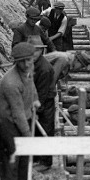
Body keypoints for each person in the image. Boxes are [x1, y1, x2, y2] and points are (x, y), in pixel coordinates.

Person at [0, 42, 39, 180]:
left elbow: (32, 87)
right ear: (16, 62)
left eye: (28, 60)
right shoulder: (10, 82)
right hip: (12, 127)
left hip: (25, 119)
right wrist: (27, 135)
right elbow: (17, 113)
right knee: (13, 170)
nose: (25, 64)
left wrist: (35, 100)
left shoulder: (28, 71)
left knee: (23, 169)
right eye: (21, 62)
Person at [28, 36, 56, 171]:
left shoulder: (44, 68)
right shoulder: (34, 63)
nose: (33, 54)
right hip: (38, 100)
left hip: (45, 103)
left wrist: (37, 109)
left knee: (46, 130)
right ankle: (37, 158)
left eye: (36, 51)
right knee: (37, 132)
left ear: (41, 51)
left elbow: (42, 93)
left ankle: (46, 162)